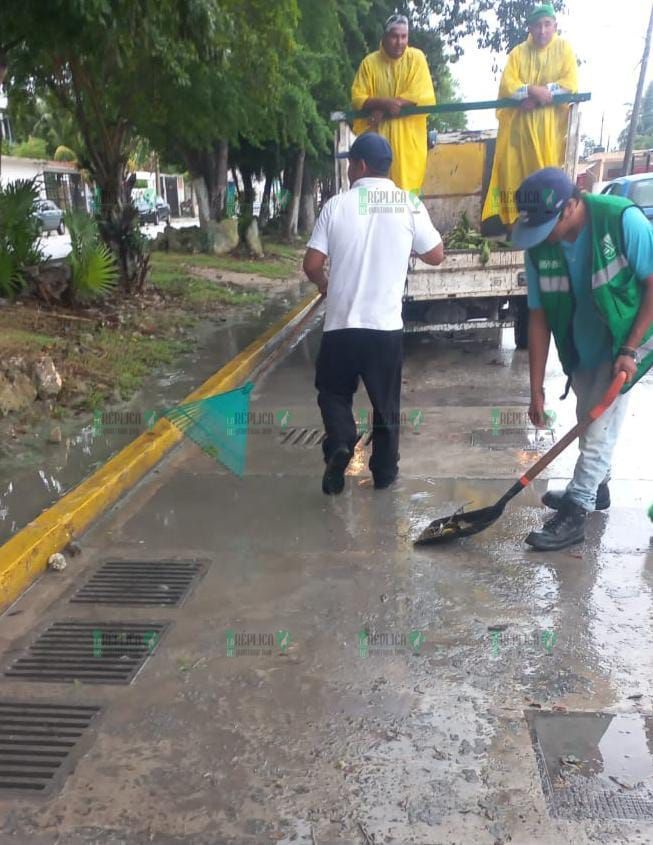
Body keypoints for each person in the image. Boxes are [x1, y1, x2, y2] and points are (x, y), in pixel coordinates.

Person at [511, 167, 653, 550]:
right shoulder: (540, 247)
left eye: (547, 224)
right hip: (582, 344)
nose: (541, 237)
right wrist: (536, 388)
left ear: (572, 205)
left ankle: (577, 510)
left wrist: (630, 349)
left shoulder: (622, 221)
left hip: (627, 339)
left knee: (596, 425)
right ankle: (597, 486)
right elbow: (538, 318)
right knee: (586, 415)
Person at [302, 133, 444, 495]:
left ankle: (340, 441)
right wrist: (405, 248)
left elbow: (312, 263)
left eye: (350, 163)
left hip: (341, 327)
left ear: (361, 165)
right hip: (384, 329)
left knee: (333, 392)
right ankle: (383, 472)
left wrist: (325, 283)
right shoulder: (408, 204)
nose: (349, 170)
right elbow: (436, 254)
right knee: (386, 405)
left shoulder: (337, 205)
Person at [482, 3, 578, 227]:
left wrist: (536, 94)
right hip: (519, 135)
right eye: (537, 25)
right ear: (530, 28)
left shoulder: (564, 49)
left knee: (548, 182)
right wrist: (529, 90)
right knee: (514, 181)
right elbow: (508, 86)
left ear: (555, 25)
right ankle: (515, 230)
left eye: (547, 25)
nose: (542, 30)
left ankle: (551, 228)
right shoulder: (518, 53)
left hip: (549, 135)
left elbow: (569, 85)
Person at [351, 14, 435, 194]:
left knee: (407, 201)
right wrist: (383, 103)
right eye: (395, 36)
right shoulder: (369, 64)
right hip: (378, 145)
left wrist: (388, 105)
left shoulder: (416, 58)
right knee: (377, 200)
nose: (399, 42)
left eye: (404, 37)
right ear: (385, 37)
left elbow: (422, 94)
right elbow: (358, 98)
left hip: (408, 146)